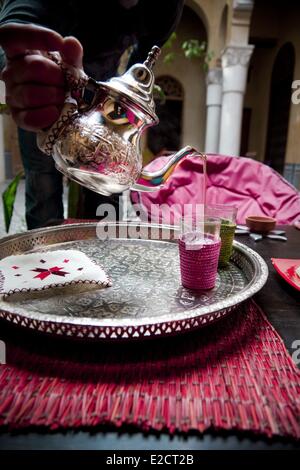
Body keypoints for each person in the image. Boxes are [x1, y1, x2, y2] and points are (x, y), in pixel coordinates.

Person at [0, 0, 184, 229]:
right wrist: (28, 66)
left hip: (105, 102)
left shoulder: (167, 6)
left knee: (106, 204)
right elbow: (20, 19)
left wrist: (118, 100)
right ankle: (47, 259)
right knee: (43, 192)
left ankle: (101, 263)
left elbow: (148, 52)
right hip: (50, 97)